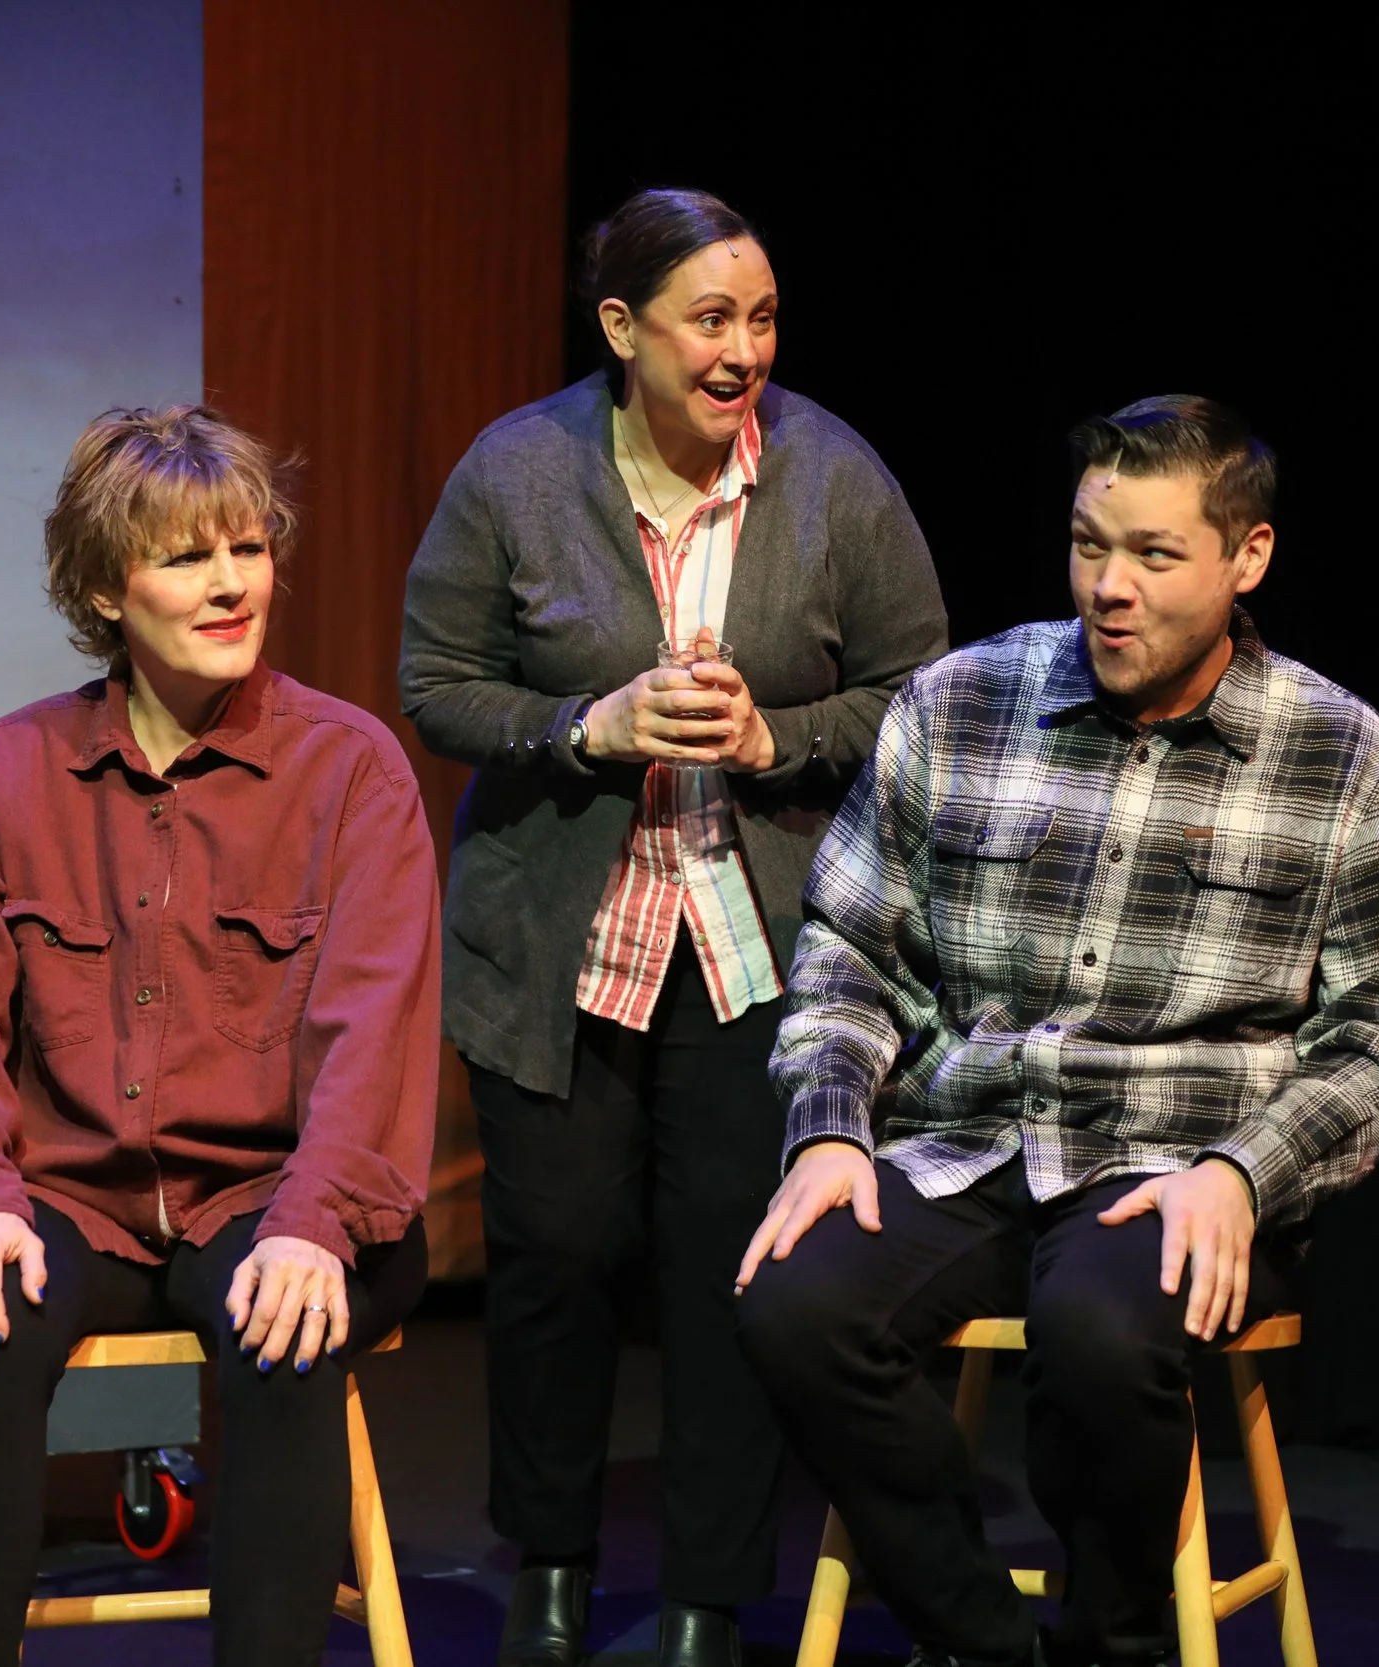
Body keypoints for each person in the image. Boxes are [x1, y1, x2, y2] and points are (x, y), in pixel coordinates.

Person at [732, 395, 1379, 1667]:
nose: (1109, 587)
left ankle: (1114, 1639)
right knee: (793, 1300)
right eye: (1088, 544)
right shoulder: (962, 700)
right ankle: (980, 1636)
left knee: (1101, 1334)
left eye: (1154, 555)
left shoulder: (1341, 755)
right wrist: (831, 1129)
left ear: (1247, 556)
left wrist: (1246, 1173)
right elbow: (849, 946)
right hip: (967, 1139)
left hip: (1179, 1168)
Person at [397, 186, 948, 1667]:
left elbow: (921, 695)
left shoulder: (832, 476)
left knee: (730, 1269)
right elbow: (436, 682)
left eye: (762, 318)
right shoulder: (518, 470)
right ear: (621, 328)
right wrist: (588, 723)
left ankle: (711, 1594)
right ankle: (551, 1569)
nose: (742, 350)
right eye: (710, 319)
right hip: (554, 940)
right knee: (556, 1254)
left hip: (754, 938)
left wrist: (778, 737)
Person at [0, 405, 438, 1667]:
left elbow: (374, 1029)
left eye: (249, 548)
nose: (233, 583)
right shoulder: (7, 773)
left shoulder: (349, 771)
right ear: (104, 589)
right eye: (189, 556)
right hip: (66, 1197)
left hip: (271, 1191)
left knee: (286, 1326)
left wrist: (312, 1223)